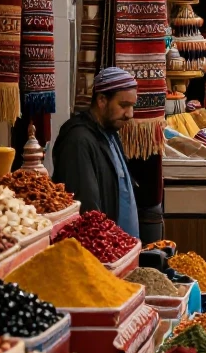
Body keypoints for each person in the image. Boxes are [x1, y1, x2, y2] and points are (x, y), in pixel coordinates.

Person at [52, 67, 140, 238]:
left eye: (132, 106)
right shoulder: (78, 140)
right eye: (123, 105)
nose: (130, 114)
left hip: (118, 246)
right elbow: (87, 209)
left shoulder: (109, 132)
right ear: (102, 100)